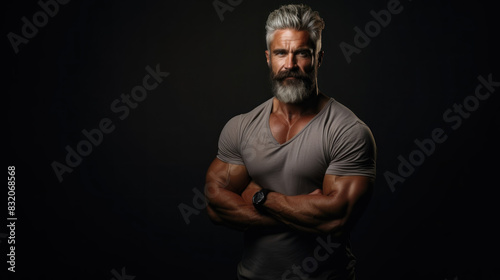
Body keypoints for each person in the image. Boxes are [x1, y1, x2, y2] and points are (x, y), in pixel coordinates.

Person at [205, 4, 376, 280]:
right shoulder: (241, 126)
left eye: (302, 54)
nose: (290, 65)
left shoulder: (348, 132)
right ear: (268, 58)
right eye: (281, 53)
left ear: (319, 58)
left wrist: (262, 197)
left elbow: (335, 220)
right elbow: (215, 204)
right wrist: (299, 211)